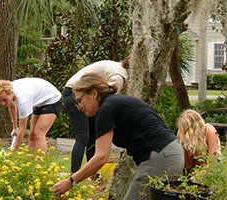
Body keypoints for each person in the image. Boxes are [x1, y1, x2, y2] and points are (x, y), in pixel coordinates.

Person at [52, 73, 184, 199]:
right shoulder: (111, 105)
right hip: (168, 153)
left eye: (80, 100)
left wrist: (70, 182)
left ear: (93, 93)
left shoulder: (106, 109)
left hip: (160, 154)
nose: (79, 107)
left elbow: (101, 157)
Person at [63, 60, 128, 173]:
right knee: (83, 136)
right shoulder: (120, 75)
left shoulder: (115, 67)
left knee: (93, 137)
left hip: (85, 93)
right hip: (76, 93)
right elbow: (110, 98)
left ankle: (91, 174)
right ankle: (74, 174)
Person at [0, 78, 62, 152]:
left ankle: (40, 162)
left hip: (52, 99)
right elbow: (12, 106)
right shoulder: (8, 89)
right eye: (0, 100)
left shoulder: (23, 100)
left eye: (4, 100)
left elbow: (22, 129)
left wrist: (13, 151)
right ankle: (30, 160)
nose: (3, 103)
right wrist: (15, 128)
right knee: (32, 135)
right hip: (39, 100)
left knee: (39, 133)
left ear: (12, 92)